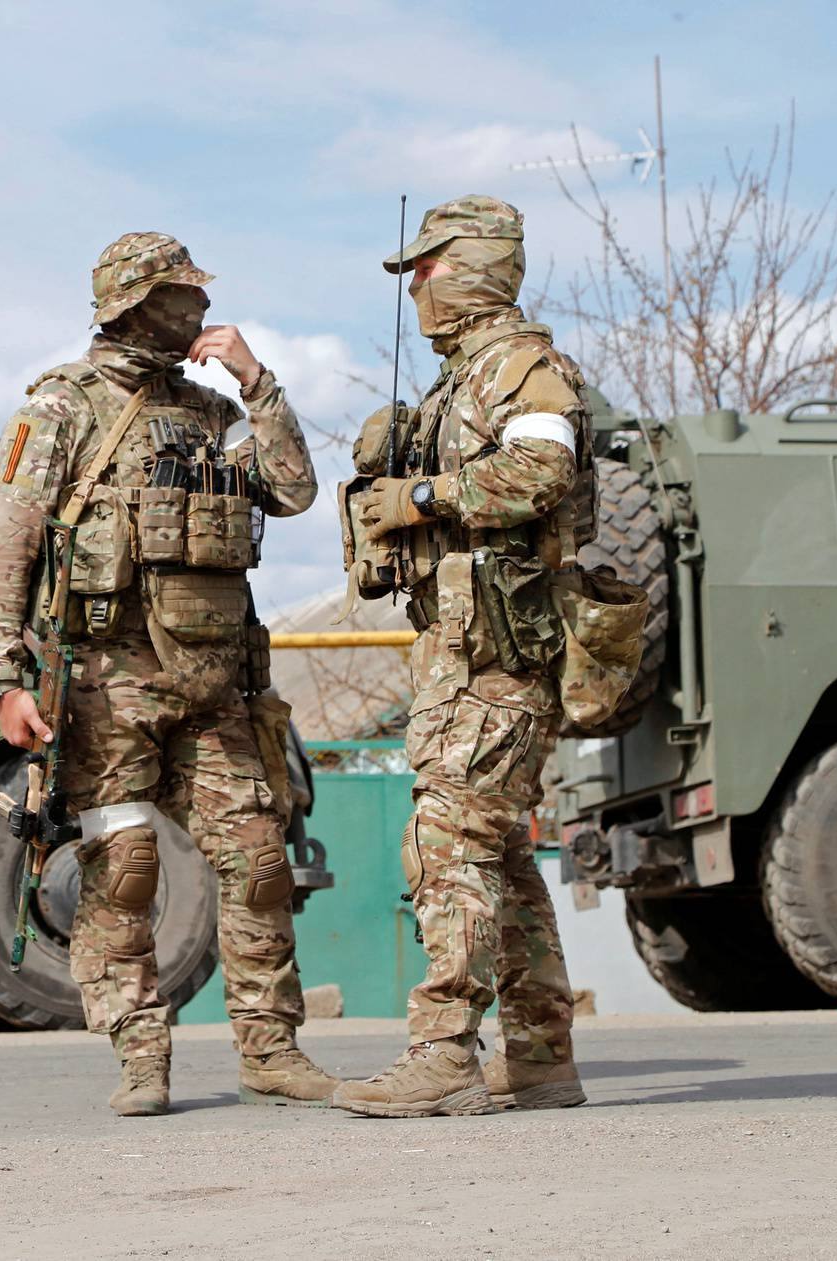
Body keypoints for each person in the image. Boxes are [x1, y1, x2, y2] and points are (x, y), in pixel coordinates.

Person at [0, 232, 333, 1116]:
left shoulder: (208, 412)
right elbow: (9, 543)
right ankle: (140, 1054)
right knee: (123, 865)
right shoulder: (62, 406)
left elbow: (293, 490)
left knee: (256, 861)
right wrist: (6, 680)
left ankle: (272, 1048)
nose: (199, 313)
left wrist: (258, 382)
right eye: (182, 297)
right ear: (134, 304)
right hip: (105, 688)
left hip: (213, 688)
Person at [332, 194, 594, 1117]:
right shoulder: (464, 378)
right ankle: (540, 1052)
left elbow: (541, 471)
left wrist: (427, 495)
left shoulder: (521, 367)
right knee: (497, 857)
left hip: (500, 658)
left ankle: (443, 1052)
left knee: (444, 842)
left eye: (428, 269)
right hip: (461, 656)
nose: (418, 289)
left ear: (473, 267)